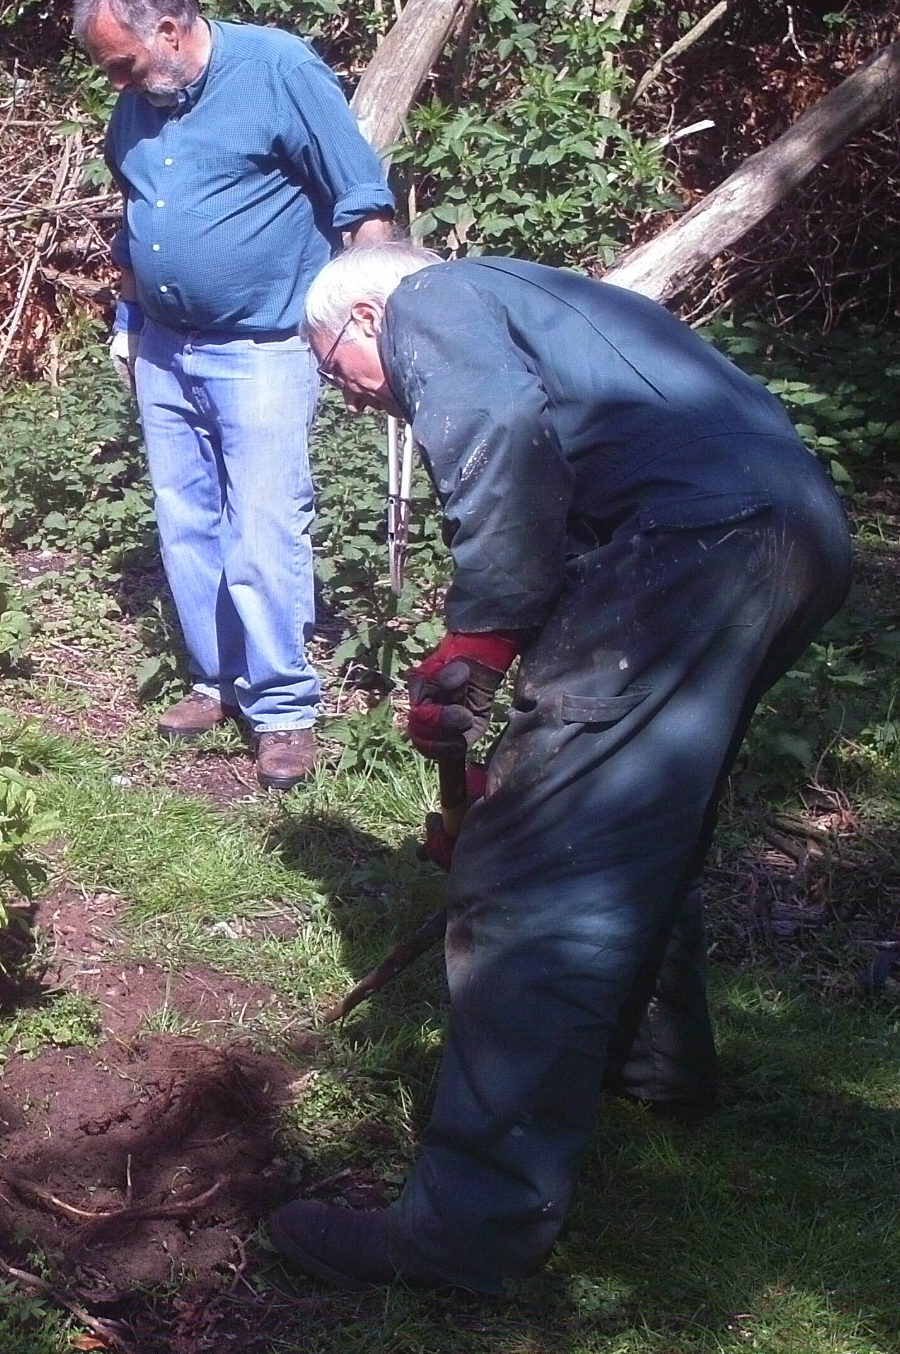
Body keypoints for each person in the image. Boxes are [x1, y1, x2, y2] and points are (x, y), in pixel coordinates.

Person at [272, 242, 851, 1291]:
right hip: (791, 535)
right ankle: (655, 1069)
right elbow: (573, 530)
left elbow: (494, 437)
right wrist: (503, 730)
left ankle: (467, 1231)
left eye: (331, 370)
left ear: (361, 316)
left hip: (695, 545)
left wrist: (482, 633)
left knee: (533, 877)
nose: (352, 400)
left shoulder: (427, 298)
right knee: (633, 819)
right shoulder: (548, 302)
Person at [72, 0, 396, 790]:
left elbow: (363, 205)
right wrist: (128, 320)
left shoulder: (279, 69)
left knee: (262, 526)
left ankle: (284, 708)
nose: (117, 83)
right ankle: (220, 680)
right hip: (165, 345)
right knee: (186, 520)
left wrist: (363, 324)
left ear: (170, 32)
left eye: (123, 65)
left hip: (263, 348)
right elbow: (137, 213)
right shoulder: (139, 105)